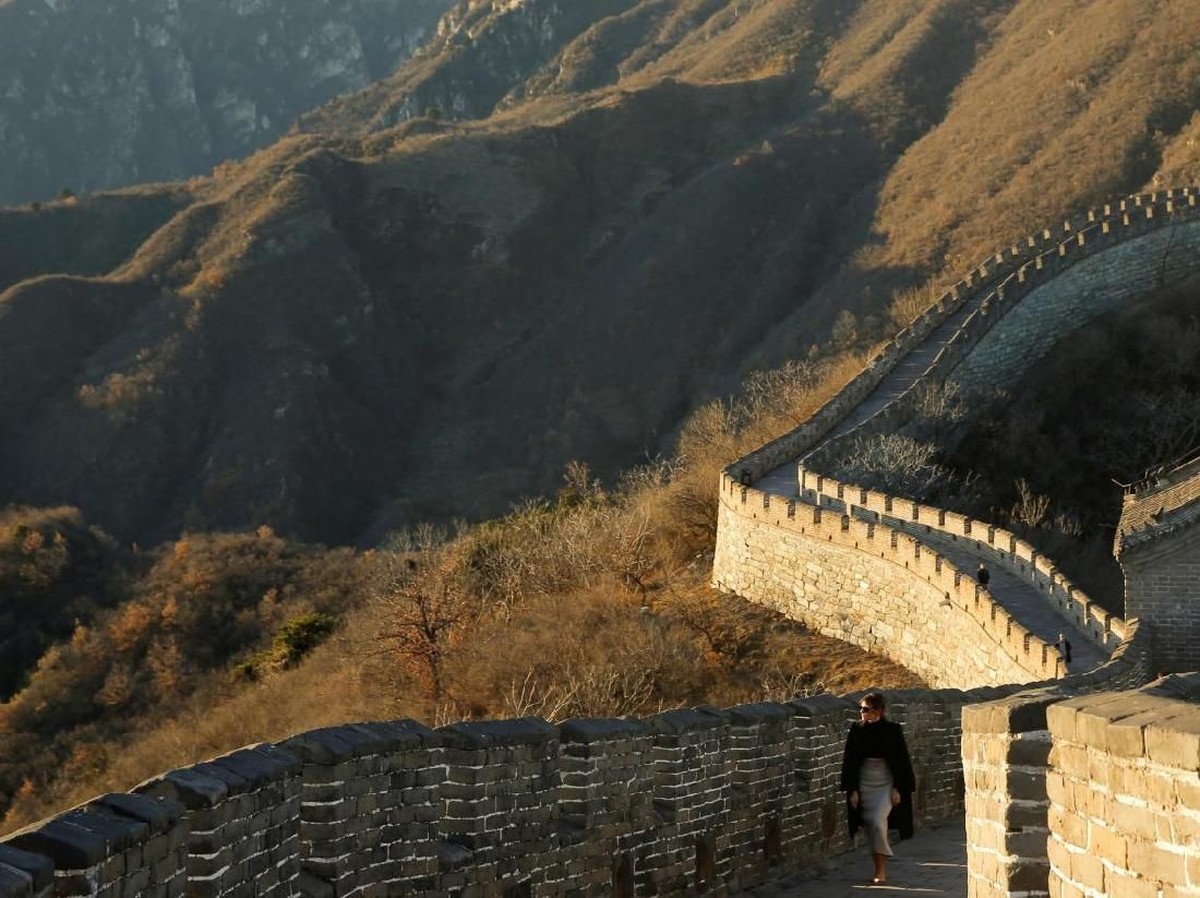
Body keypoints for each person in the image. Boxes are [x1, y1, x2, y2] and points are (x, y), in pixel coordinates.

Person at [841, 692, 916, 885]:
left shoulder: (892, 730)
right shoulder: (857, 730)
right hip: (864, 781)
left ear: (878, 711)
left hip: (885, 782)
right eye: (861, 709)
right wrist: (852, 789)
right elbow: (850, 761)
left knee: (877, 821)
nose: (862, 713)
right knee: (871, 826)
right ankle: (879, 867)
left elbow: (901, 761)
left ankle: (881, 869)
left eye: (866, 709)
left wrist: (898, 788)